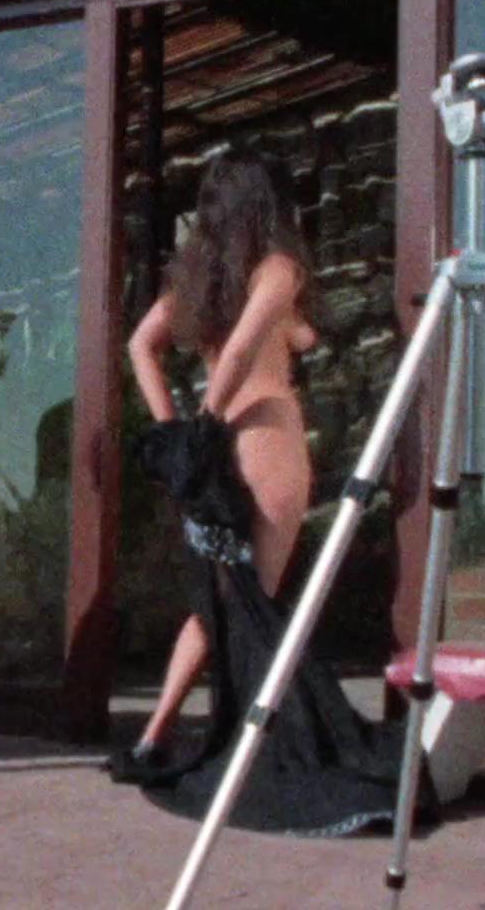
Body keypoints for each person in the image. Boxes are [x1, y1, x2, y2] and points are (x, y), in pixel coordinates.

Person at [114, 147, 430, 836]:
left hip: (218, 447)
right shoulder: (277, 269)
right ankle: (249, 742)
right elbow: (239, 352)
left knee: (222, 601)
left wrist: (179, 431)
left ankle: (156, 732)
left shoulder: (200, 277)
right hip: (265, 438)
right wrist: (196, 429)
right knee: (252, 598)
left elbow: (141, 345)